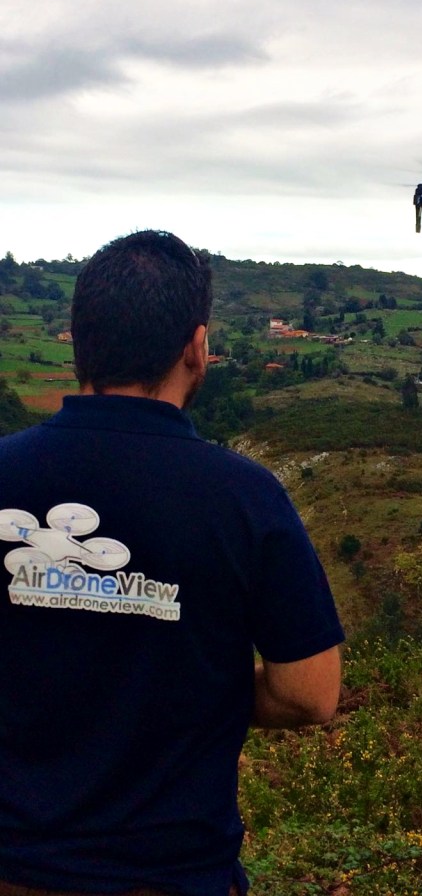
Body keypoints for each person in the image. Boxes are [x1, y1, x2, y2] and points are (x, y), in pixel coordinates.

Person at [0, 230, 344, 896]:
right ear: (196, 348)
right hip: (171, 876)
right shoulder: (245, 498)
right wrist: (194, 686)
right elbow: (309, 694)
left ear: (78, 341)